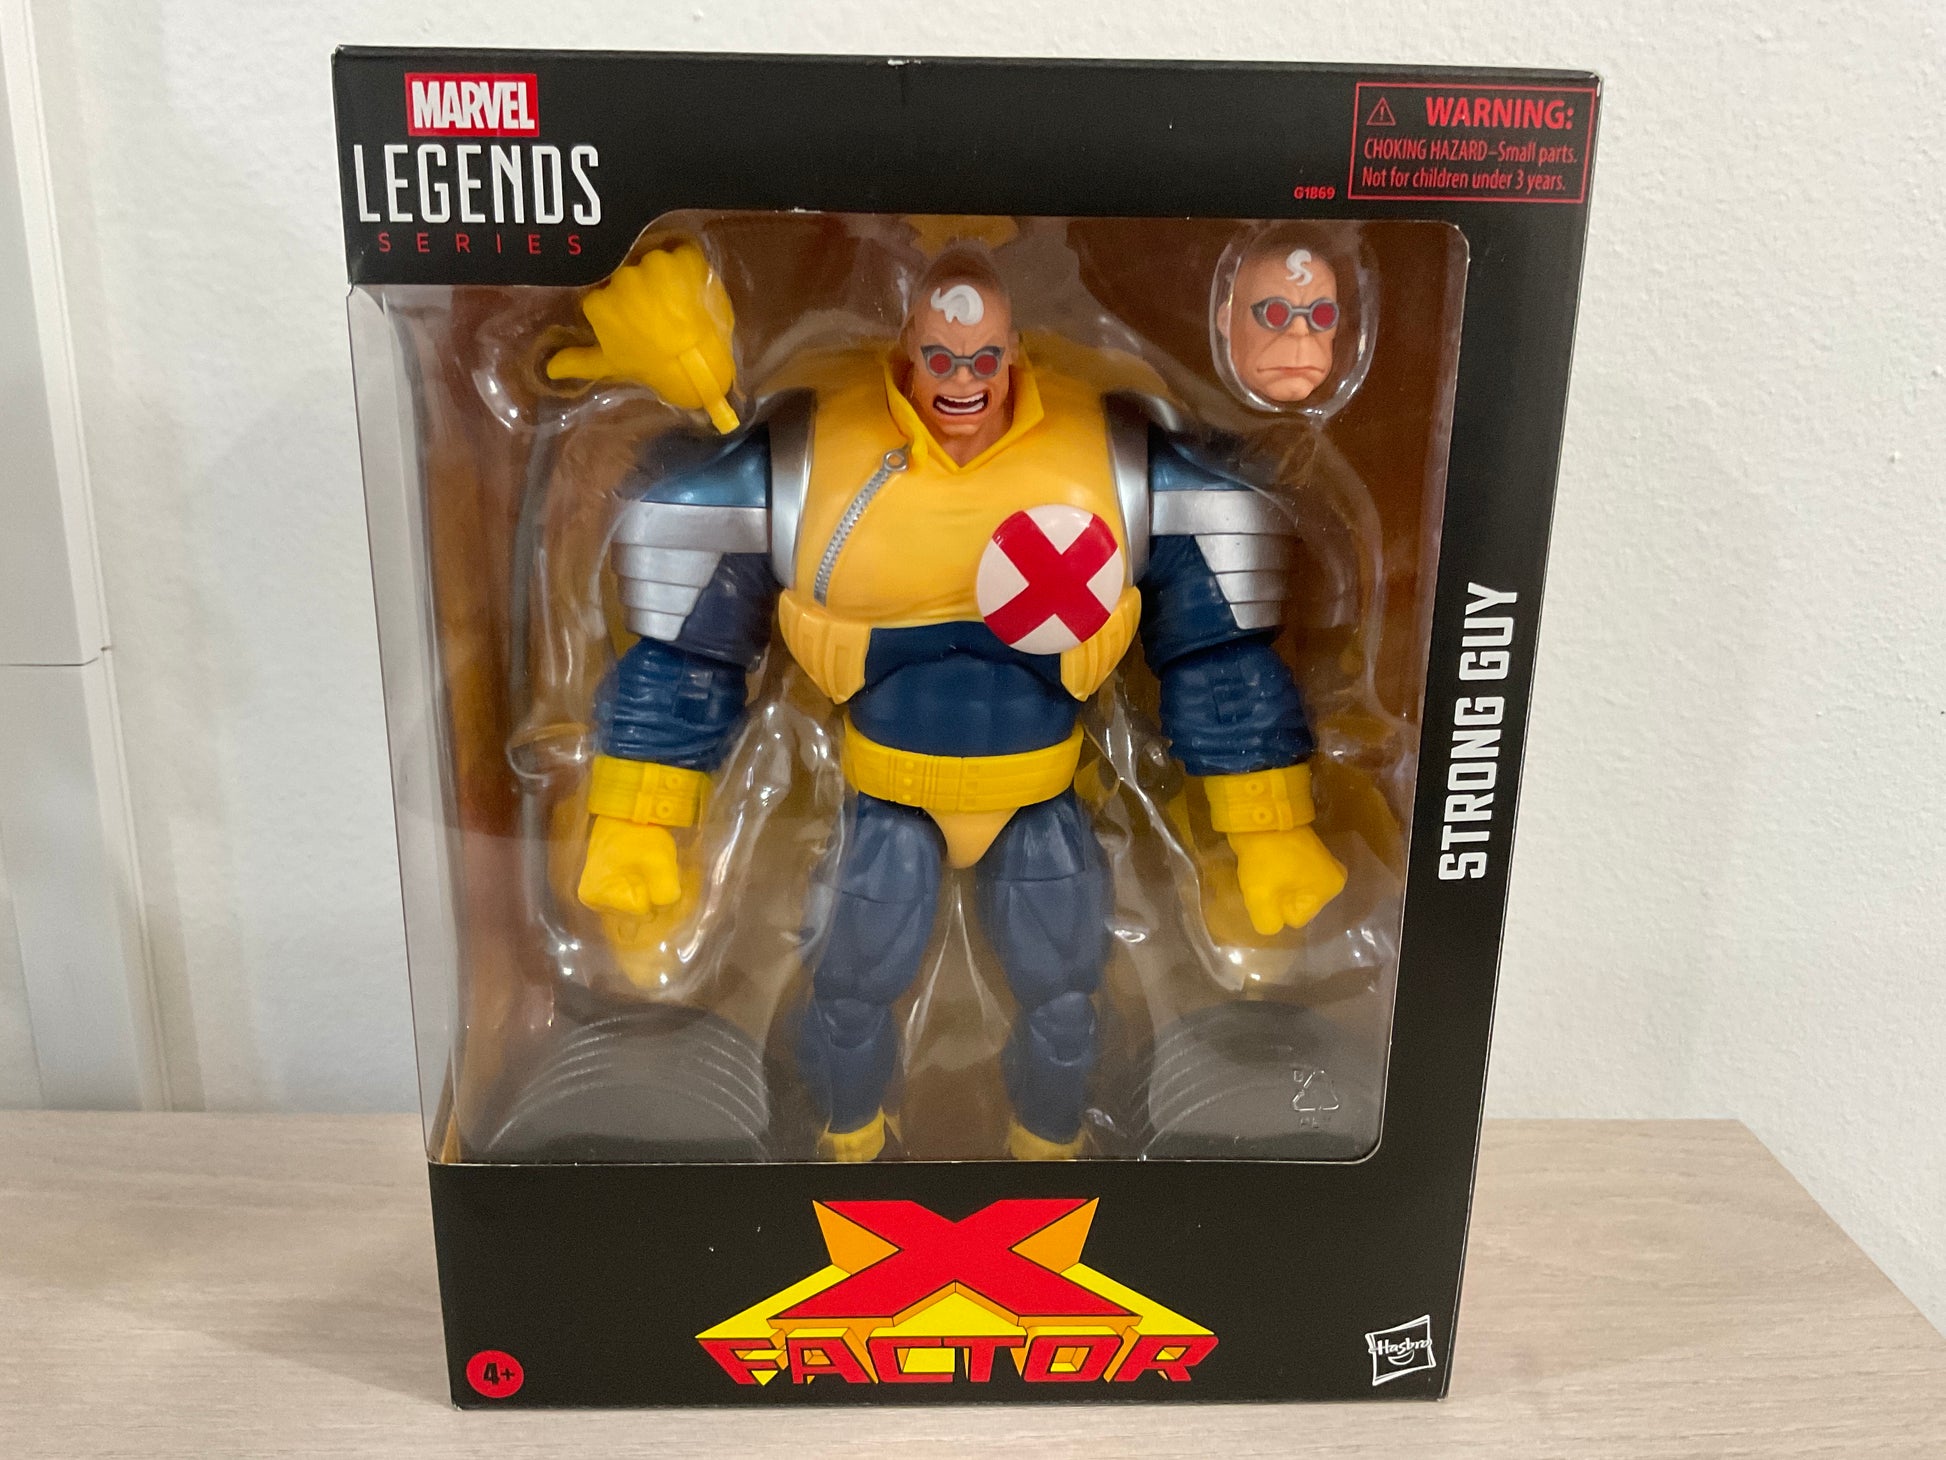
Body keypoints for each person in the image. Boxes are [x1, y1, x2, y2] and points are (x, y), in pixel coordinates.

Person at [549, 240, 1346, 1161]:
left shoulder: (1109, 453)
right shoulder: (814, 453)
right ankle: (849, 1145)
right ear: (907, 353)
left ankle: (1049, 1150)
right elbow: (690, 650)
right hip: (888, 797)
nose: (962, 381)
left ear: (1014, 355)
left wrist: (1267, 828)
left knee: (1064, 1001)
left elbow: (1217, 654)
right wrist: (640, 821)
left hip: (1039, 797)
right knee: (849, 992)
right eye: (941, 358)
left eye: (983, 359)